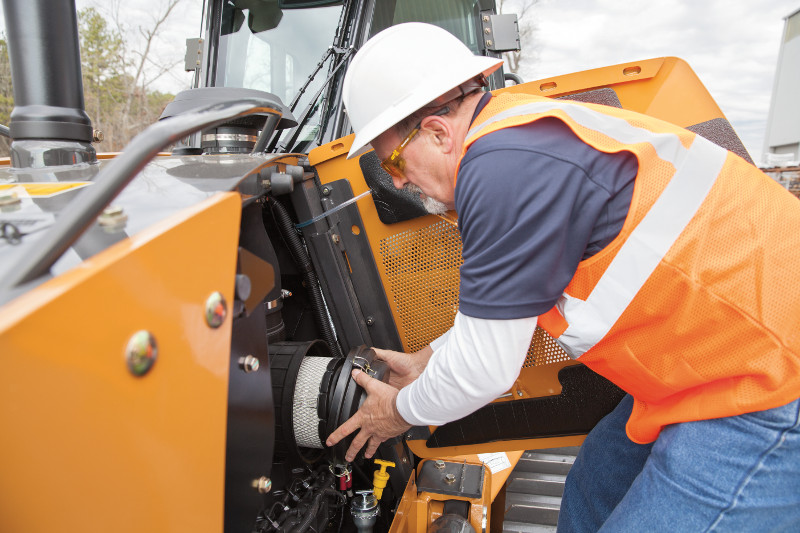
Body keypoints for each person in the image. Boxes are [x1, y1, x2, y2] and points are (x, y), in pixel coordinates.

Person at [326, 22, 800, 532]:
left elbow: (485, 370)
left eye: (392, 161)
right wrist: (428, 360)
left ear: (438, 133)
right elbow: (511, 312)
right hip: (709, 362)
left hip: (767, 379)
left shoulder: (502, 171)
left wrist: (397, 411)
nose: (395, 181)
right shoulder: (516, 135)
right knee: (594, 486)